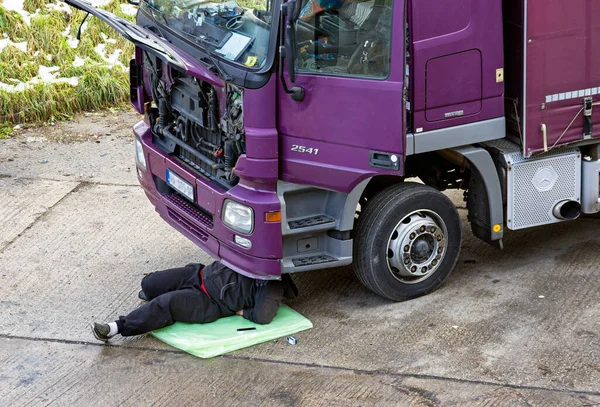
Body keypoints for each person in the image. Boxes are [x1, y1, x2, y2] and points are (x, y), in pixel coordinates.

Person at [91, 261, 298, 342]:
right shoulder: (252, 249)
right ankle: (152, 294)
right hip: (198, 274)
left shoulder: (272, 282)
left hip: (208, 301)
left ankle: (116, 328)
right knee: (149, 283)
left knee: (167, 303)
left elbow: (263, 316)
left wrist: (240, 313)